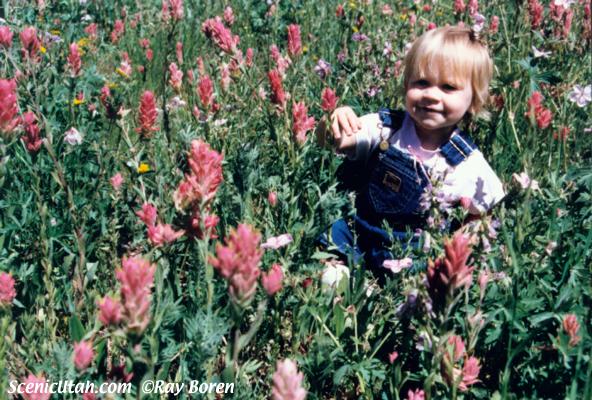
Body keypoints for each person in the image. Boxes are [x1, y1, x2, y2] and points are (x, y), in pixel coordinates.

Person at [319, 26, 505, 273]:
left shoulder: (466, 163)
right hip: (361, 232)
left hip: (412, 252)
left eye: (448, 87)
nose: (431, 95)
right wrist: (334, 121)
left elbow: (487, 211)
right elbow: (335, 140)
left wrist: (459, 244)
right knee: (331, 246)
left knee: (418, 275)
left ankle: (374, 292)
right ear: (406, 85)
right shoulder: (386, 128)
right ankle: (340, 280)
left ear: (474, 101)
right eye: (422, 82)